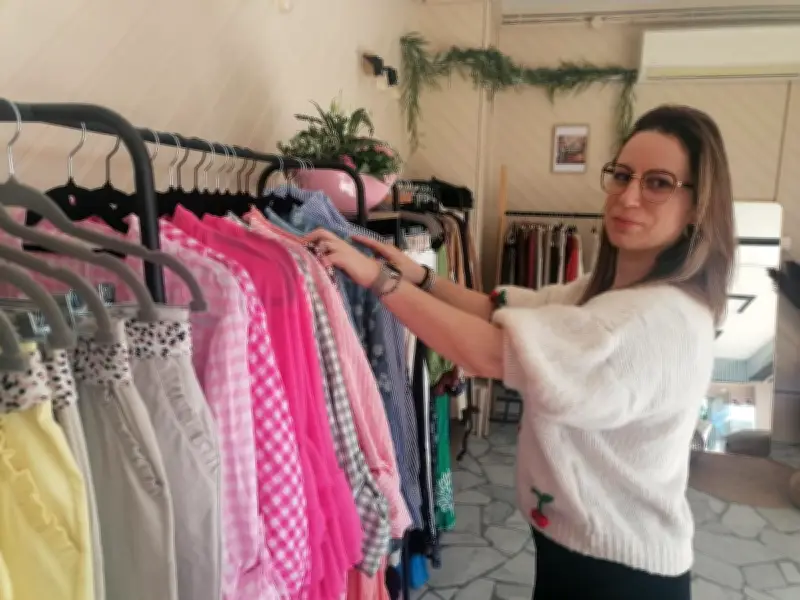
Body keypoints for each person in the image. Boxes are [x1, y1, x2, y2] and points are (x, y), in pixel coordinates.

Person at [305, 104, 735, 600]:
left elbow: (493, 352)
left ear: (698, 205)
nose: (628, 195)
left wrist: (378, 280)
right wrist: (418, 275)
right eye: (622, 175)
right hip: (583, 552)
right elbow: (502, 310)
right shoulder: (611, 294)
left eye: (658, 182)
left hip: (621, 574)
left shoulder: (658, 319)